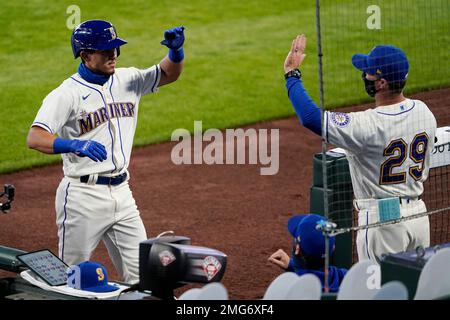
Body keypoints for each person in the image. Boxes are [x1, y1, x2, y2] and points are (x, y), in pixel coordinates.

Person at [26, 20, 185, 283]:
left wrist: (176, 53)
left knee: (144, 276)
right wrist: (74, 144)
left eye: (115, 48)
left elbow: (168, 74)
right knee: (71, 278)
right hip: (82, 196)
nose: (114, 55)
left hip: (123, 194)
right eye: (105, 50)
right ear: (86, 56)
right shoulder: (66, 94)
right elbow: (35, 137)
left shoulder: (128, 79)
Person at [283, 35, 437, 263]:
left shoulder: (367, 126)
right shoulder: (424, 112)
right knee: (415, 287)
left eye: (369, 72)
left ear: (381, 83)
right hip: (419, 217)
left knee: (377, 292)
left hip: (383, 225)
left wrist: (291, 75)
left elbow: (310, 118)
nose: (364, 75)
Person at [268, 214, 347, 293]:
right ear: (333, 248)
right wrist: (293, 266)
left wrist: (298, 267)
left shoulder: (287, 290)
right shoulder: (346, 279)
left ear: (297, 249)